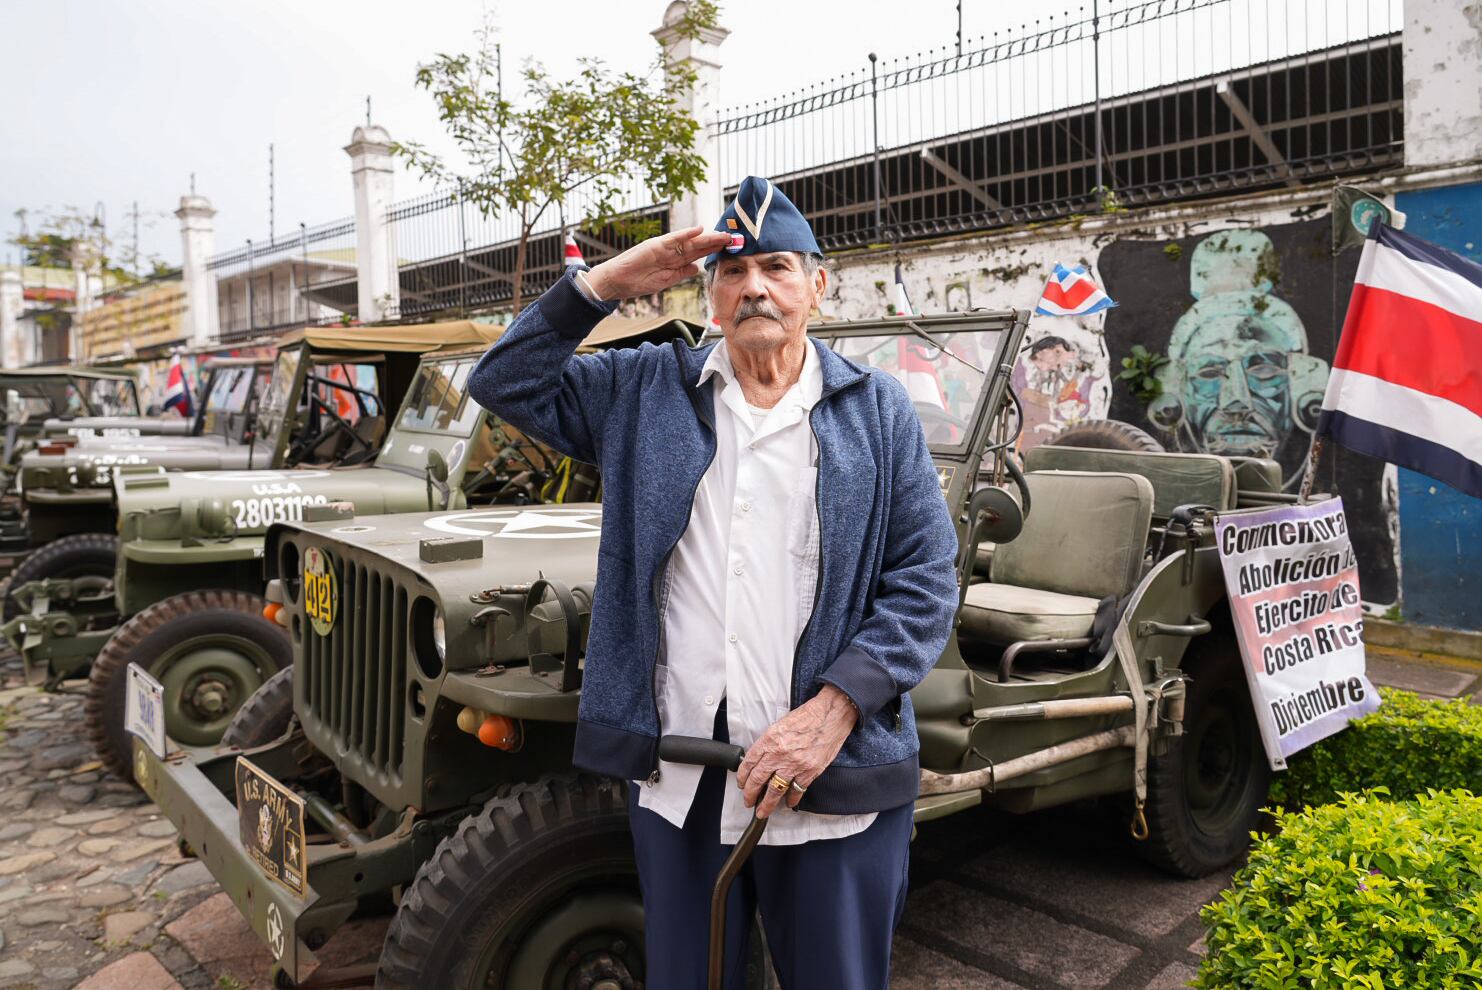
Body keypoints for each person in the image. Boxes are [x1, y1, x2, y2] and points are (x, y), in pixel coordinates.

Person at [468, 176, 959, 989]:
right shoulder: (643, 389)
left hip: (833, 780)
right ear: (709, 294)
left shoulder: (879, 411)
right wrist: (608, 284)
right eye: (732, 272)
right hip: (683, 778)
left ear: (817, 285)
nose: (754, 286)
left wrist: (835, 710)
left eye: (776, 267)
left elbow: (926, 578)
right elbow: (503, 381)